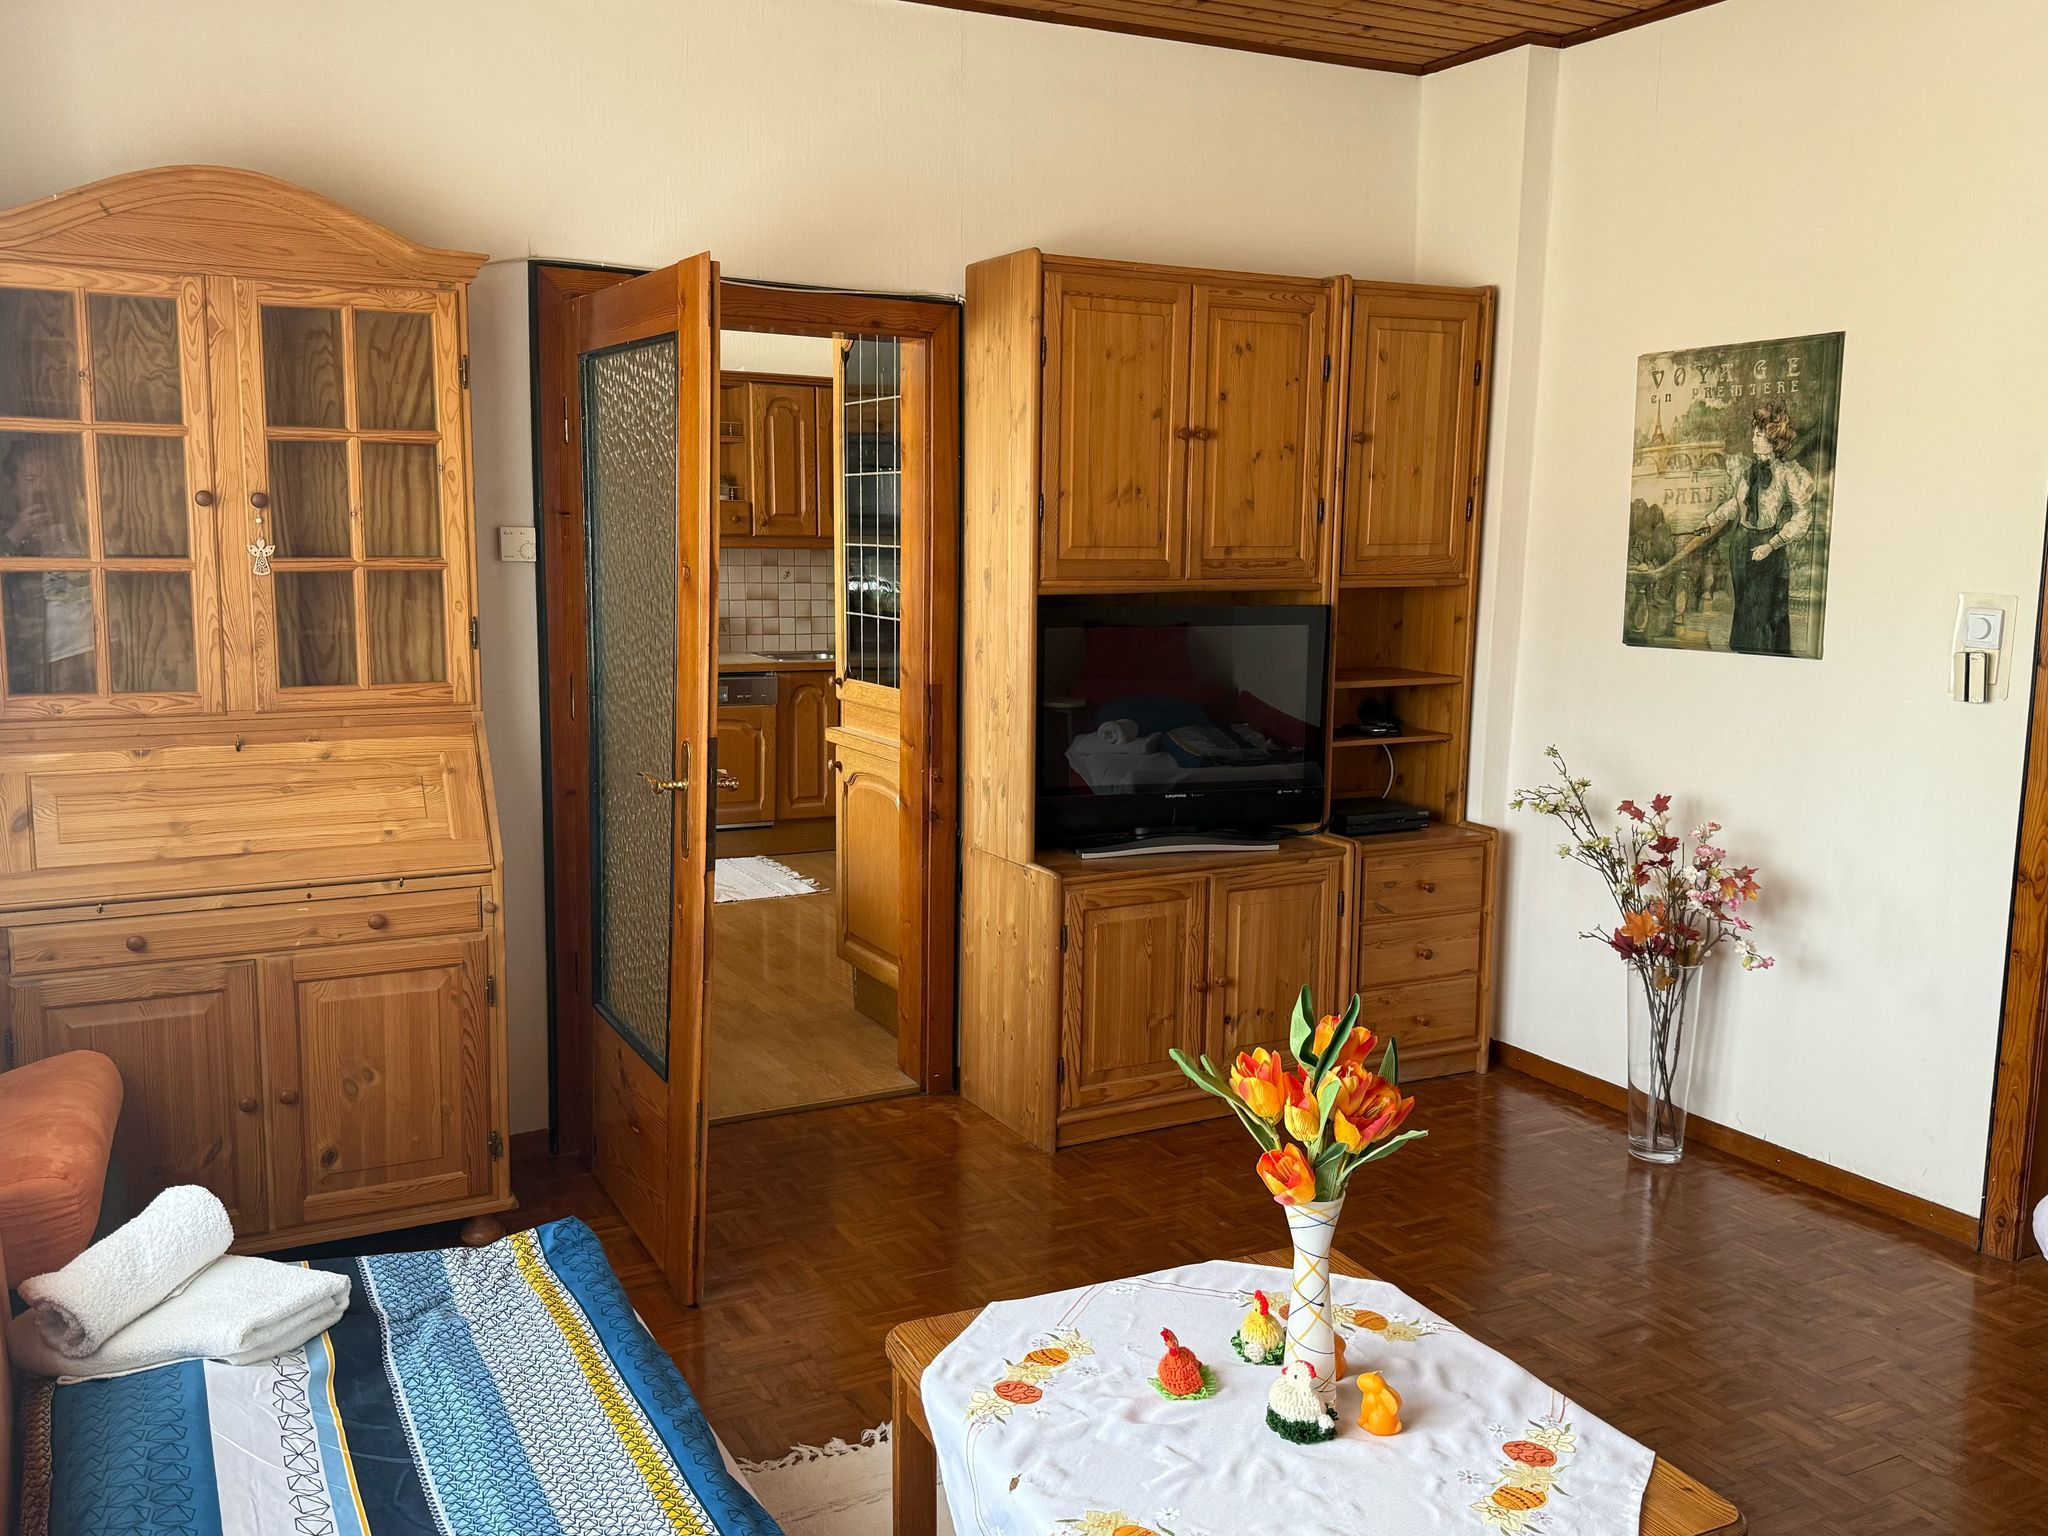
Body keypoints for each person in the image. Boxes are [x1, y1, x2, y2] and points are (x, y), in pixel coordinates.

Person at [1653, 403, 1814, 655]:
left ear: (1774, 440)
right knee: (1744, 608)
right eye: (1754, 434)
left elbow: (1803, 516)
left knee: (1764, 612)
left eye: (1759, 435)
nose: (1753, 439)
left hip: (1768, 549)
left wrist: (1772, 544)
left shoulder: (1787, 474)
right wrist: (1710, 519)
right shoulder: (1745, 469)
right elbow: (1736, 504)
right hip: (1741, 546)